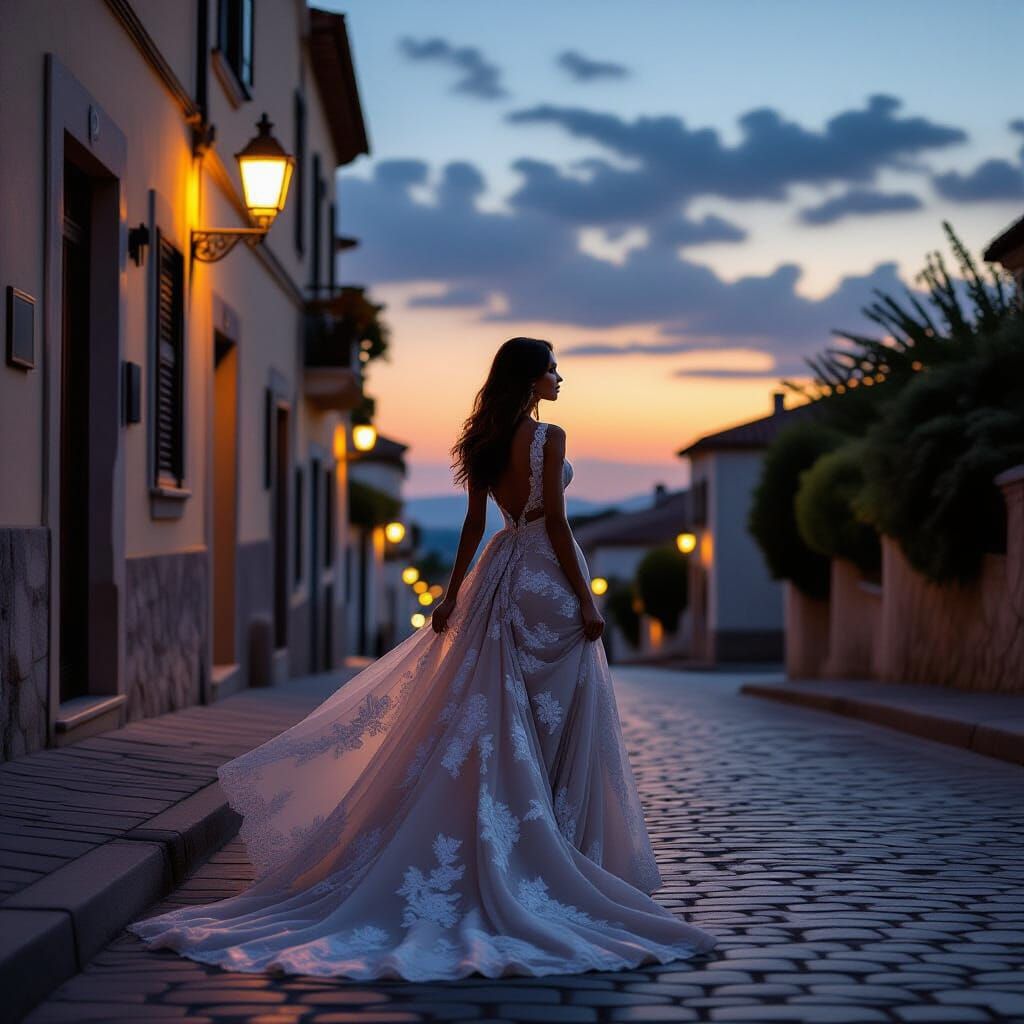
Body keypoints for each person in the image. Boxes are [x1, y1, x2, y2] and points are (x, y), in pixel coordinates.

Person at [128, 337, 718, 980]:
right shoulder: (551, 439)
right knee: (555, 721)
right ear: (530, 377)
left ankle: (527, 842)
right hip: (546, 582)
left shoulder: (485, 439)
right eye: (551, 368)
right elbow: (555, 523)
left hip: (500, 577)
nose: (559, 378)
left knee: (501, 715)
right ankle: (550, 846)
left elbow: (474, 526)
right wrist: (586, 598)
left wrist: (451, 593)